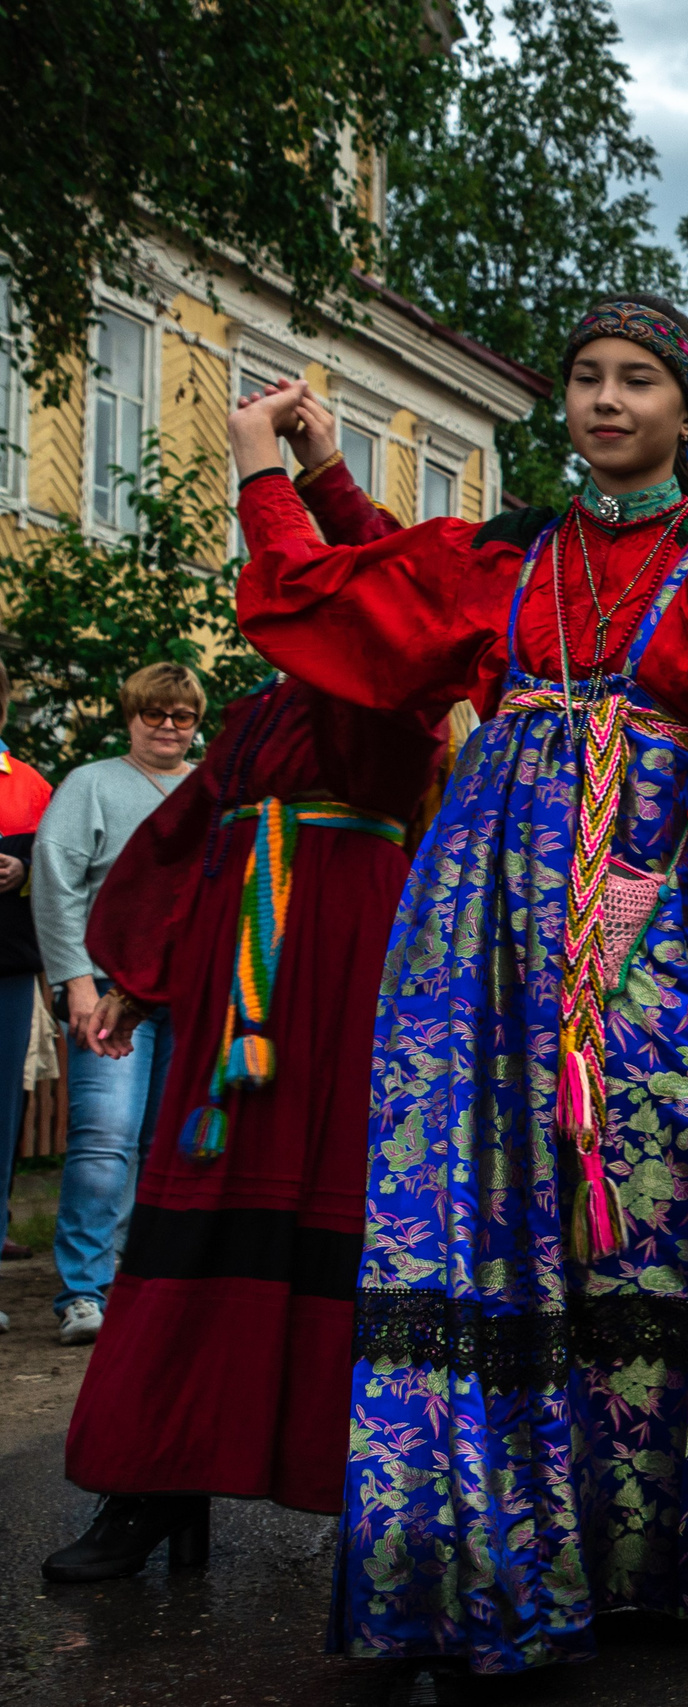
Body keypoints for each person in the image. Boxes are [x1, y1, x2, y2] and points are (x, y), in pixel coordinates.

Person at [224, 292, 688, 1670]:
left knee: (654, 1202)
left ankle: (664, 1553)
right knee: (476, 1207)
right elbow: (372, 603)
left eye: (637, 381)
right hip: (476, 929)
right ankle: (478, 1555)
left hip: (646, 933)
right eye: (585, 378)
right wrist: (285, 473)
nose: (606, 400)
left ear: (687, 409)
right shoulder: (511, 553)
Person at [42, 389, 443, 1581]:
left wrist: (296, 471)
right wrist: (135, 972)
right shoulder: (257, 719)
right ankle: (156, 1486)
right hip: (232, 998)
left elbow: (376, 596)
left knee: (331, 1221)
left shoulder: (392, 695)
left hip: (337, 990)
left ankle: (379, 1505)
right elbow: (184, 838)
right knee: (191, 1220)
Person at [32, 661, 202, 1346]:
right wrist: (74, 978)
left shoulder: (210, 788)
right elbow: (55, 876)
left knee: (168, 1145)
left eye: (181, 716)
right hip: (107, 989)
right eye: (152, 713)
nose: (166, 726)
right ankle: (83, 1290)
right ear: (129, 716)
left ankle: (142, 1279)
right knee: (106, 1138)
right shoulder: (91, 785)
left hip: (191, 993)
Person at [0, 657, 55, 1293]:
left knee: (1, 1116)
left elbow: (61, 873)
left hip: (6, 972)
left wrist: (24, 873)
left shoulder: (30, 785)